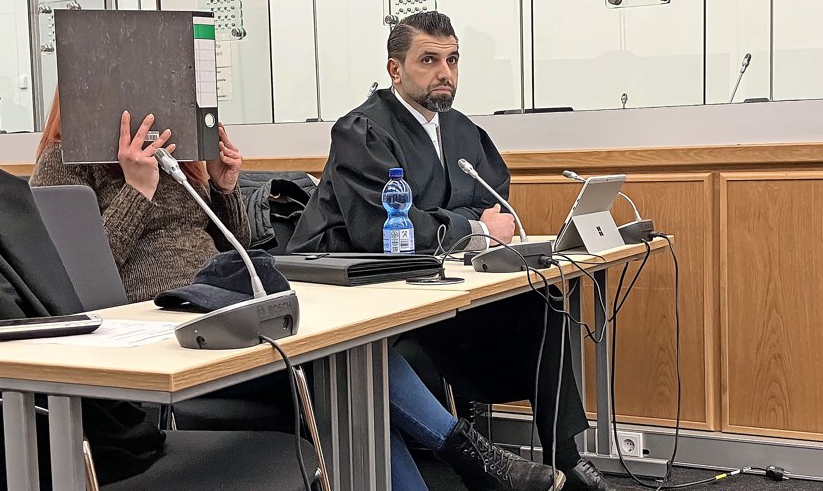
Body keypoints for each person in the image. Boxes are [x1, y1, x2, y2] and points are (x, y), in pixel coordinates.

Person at [29, 90, 563, 491]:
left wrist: (223, 188)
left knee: (353, 371)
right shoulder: (63, 161)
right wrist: (135, 190)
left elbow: (235, 247)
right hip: (159, 337)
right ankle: (474, 459)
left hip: (225, 309)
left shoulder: (175, 158)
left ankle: (474, 460)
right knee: (350, 377)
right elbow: (71, 273)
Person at [286, 11, 625, 491]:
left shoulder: (461, 129)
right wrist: (470, 225)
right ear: (395, 69)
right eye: (428, 60)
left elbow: (491, 202)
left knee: (541, 304)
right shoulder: (362, 130)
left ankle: (563, 457)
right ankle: (479, 461)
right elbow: (385, 228)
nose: (445, 72)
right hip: (355, 291)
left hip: (430, 283)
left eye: (452, 60)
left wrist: (447, 221)